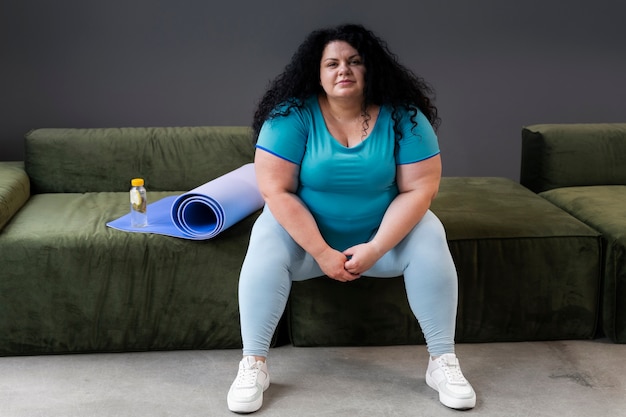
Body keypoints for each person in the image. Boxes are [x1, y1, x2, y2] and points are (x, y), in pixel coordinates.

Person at [227, 23, 476, 413]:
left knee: (430, 231)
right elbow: (276, 191)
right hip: (307, 247)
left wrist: (377, 247)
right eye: (332, 63)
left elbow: (419, 190)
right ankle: (253, 364)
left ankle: (443, 362)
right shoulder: (291, 116)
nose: (343, 69)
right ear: (317, 72)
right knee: (265, 233)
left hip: (383, 243)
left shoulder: (405, 118)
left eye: (354, 61)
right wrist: (323, 253)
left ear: (370, 68)